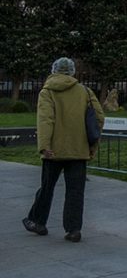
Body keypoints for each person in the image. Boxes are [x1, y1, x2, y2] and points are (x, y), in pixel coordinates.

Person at [23, 57, 104, 242]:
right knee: (75, 191)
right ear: (73, 72)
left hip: (54, 152)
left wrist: (44, 147)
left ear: (54, 70)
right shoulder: (84, 91)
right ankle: (73, 229)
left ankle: (37, 221)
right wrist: (92, 145)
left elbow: (46, 120)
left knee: (47, 188)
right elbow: (98, 117)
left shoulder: (47, 91)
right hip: (79, 149)